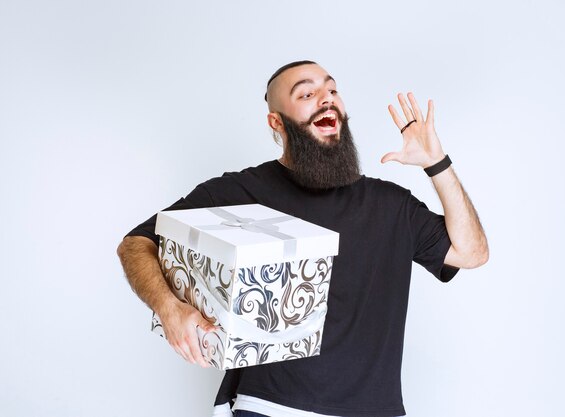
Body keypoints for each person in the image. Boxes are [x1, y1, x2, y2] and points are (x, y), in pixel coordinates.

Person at [117, 60, 488, 417]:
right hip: (267, 407)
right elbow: (137, 242)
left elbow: (471, 253)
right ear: (276, 122)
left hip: (373, 410)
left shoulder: (391, 206)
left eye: (332, 90)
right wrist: (170, 309)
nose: (326, 98)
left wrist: (436, 163)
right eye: (306, 94)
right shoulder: (239, 191)